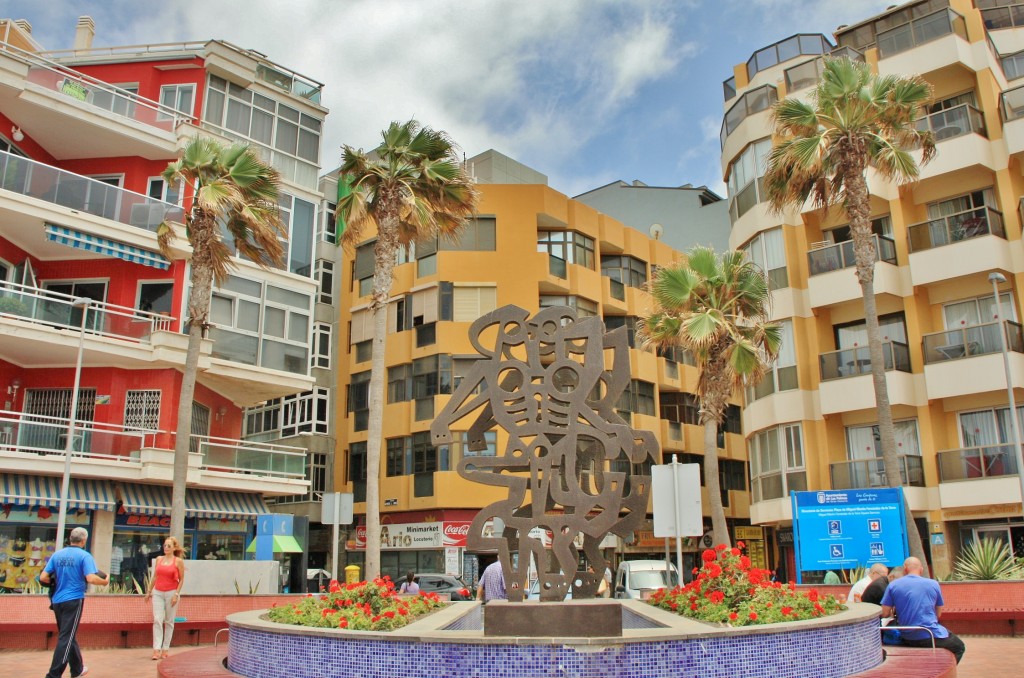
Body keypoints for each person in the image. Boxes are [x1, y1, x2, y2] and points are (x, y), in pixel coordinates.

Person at [40, 526, 109, 678]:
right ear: (84, 540)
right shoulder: (85, 556)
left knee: (68, 634)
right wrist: (105, 582)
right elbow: (91, 578)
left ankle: (77, 669)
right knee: (66, 637)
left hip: (57, 601)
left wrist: (57, 583)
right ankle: (53, 675)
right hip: (74, 600)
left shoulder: (57, 555)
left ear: (70, 538)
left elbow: (43, 577)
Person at [881, 557, 965, 664]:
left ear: (905, 569)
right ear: (921, 569)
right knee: (959, 647)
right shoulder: (933, 584)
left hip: (907, 636)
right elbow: (938, 614)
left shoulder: (893, 585)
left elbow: (885, 613)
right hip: (929, 634)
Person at [144, 536, 186, 661]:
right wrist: (149, 591)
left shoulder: (178, 561)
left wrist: (176, 594)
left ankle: (165, 649)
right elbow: (155, 576)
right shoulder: (159, 559)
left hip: (171, 592)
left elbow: (181, 579)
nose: (166, 548)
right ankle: (156, 649)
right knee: (157, 619)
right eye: (165, 545)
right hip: (158, 591)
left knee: (169, 621)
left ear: (174, 548)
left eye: (169, 546)